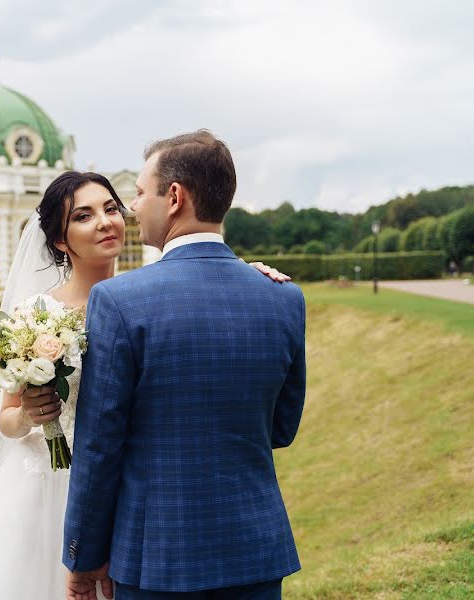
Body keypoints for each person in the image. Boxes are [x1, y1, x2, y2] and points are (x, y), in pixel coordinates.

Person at [0, 169, 289, 600]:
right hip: (45, 486)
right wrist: (30, 415)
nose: (106, 222)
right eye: (84, 216)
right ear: (59, 240)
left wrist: (249, 277)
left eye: (111, 208)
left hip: (132, 486)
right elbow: (6, 423)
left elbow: (205, 293)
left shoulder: (148, 297)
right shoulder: (35, 314)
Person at [63, 130, 306, 600]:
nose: (131, 207)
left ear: (174, 197)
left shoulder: (117, 300)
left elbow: (99, 449)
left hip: (156, 558)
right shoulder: (284, 297)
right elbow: (281, 429)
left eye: (137, 192)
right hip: (255, 552)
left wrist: (84, 559)